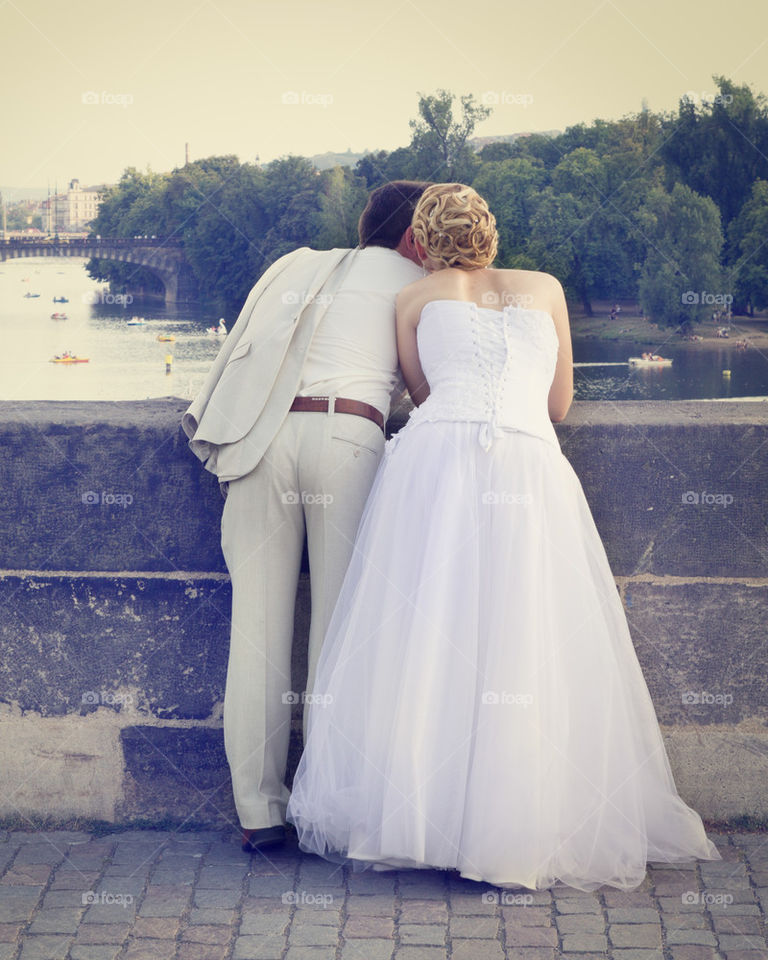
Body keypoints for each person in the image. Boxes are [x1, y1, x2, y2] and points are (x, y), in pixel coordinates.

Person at [286, 183, 720, 890]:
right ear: (490, 229)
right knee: (524, 632)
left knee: (428, 629)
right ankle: (515, 821)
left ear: (423, 240)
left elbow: (422, 393)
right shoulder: (545, 288)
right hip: (528, 462)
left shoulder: (415, 301)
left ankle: (422, 815)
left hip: (436, 465)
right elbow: (558, 403)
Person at [183, 181, 429, 853]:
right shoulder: (419, 285)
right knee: (339, 633)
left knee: (256, 637)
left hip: (262, 439)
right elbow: (432, 388)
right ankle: (327, 809)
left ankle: (258, 813)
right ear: (413, 238)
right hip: (348, 439)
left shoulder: (292, 266)